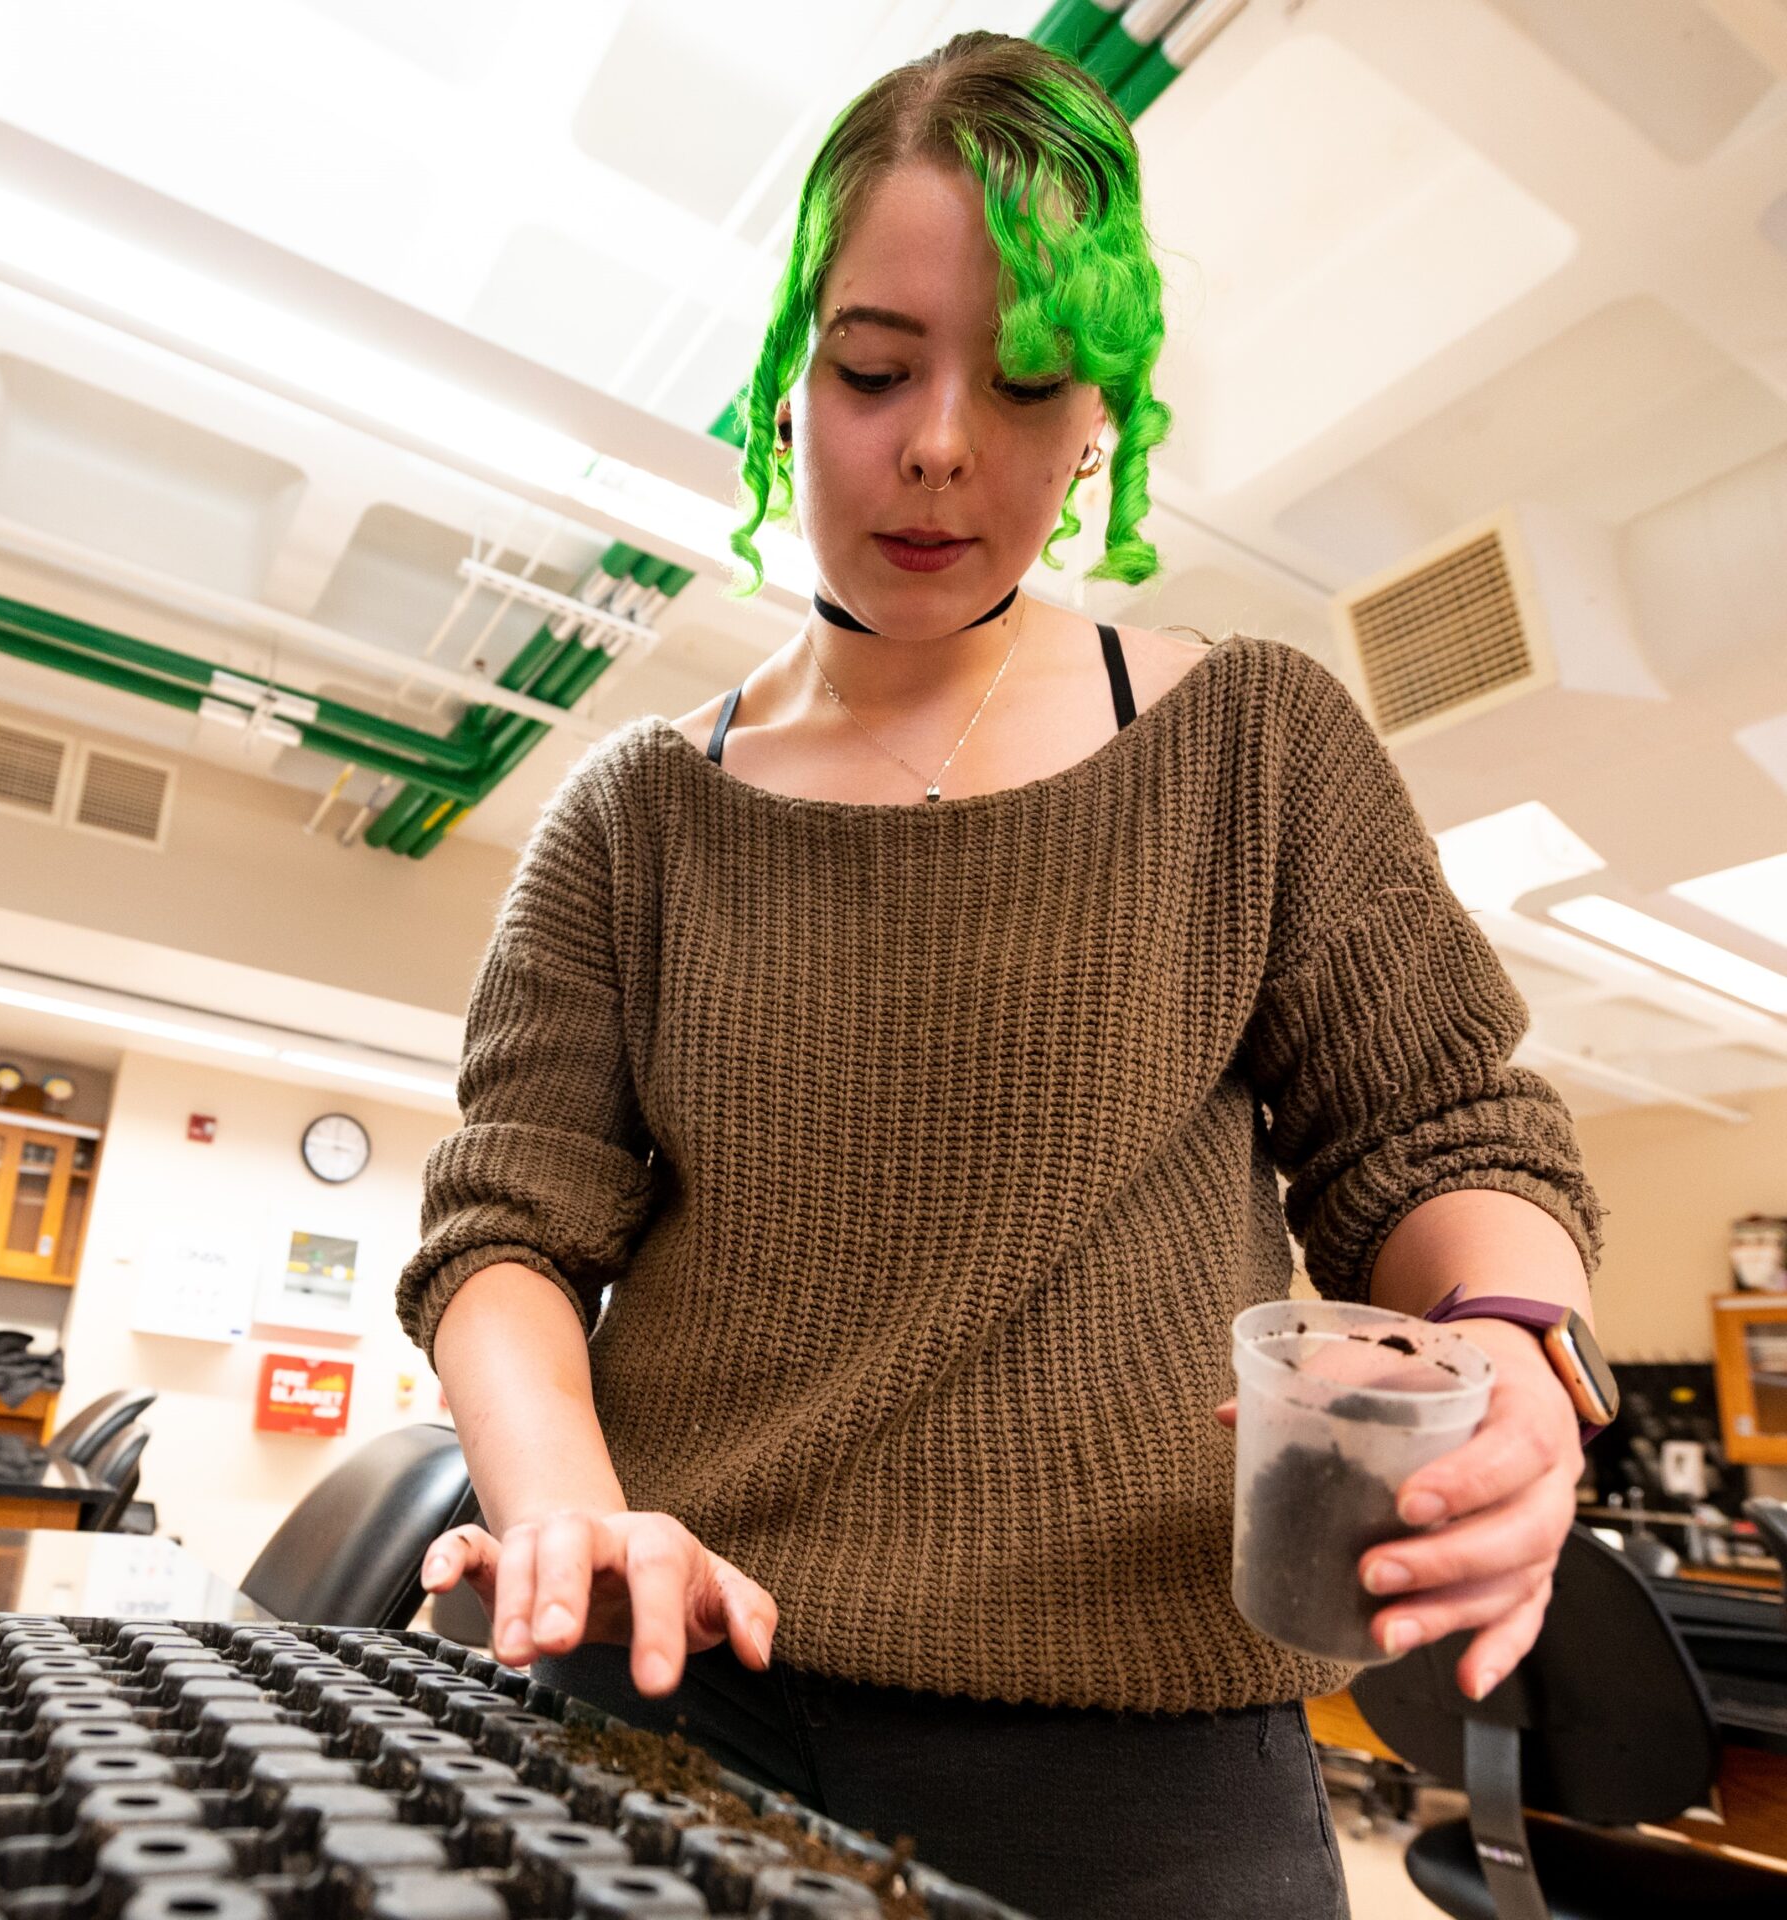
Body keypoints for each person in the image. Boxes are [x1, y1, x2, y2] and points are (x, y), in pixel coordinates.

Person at [393, 32, 1603, 1920]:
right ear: (789, 372)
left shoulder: (1252, 742)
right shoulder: (635, 814)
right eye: (877, 368)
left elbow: (1441, 1136)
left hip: (1141, 1777)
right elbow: (507, 1231)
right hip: (669, 1700)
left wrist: (1519, 1347)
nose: (942, 440)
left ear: (1100, 418)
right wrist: (560, 1506)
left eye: (1028, 383)